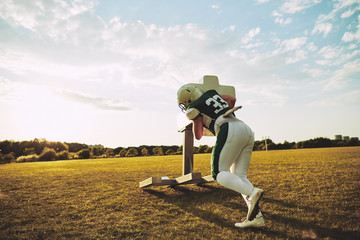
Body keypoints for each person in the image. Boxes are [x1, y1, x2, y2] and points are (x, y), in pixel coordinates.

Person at [177, 83, 265, 228]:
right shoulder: (212, 93)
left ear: (188, 99)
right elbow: (231, 99)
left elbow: (198, 135)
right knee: (239, 175)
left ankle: (251, 191)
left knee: (217, 172)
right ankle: (256, 217)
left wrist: (195, 119)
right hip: (245, 128)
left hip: (228, 128)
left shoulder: (193, 108)